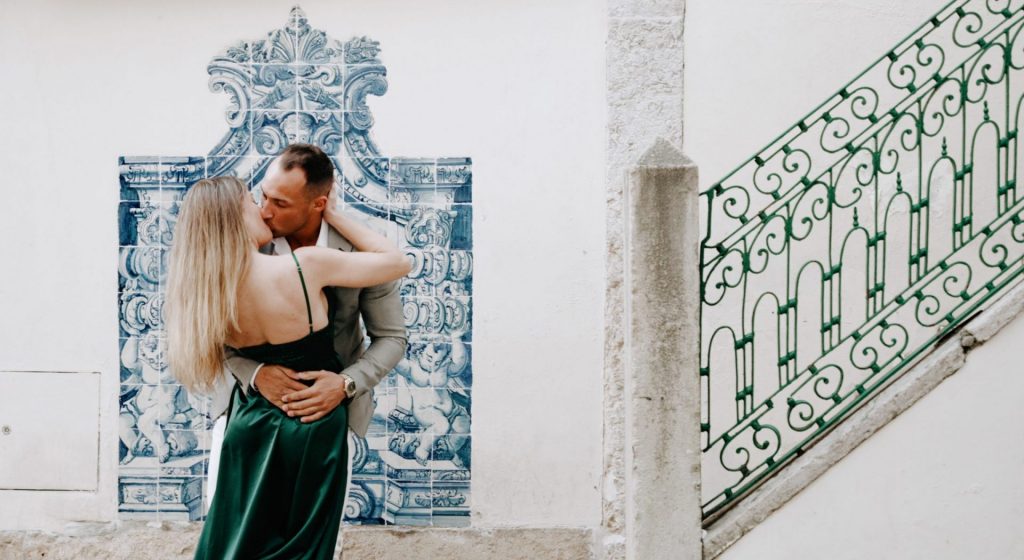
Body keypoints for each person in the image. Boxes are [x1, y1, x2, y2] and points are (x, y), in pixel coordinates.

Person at [165, 172, 411, 558]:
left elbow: (392, 336)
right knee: (304, 549)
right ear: (234, 218)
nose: (263, 211)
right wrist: (336, 214)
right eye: (252, 202)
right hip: (313, 426)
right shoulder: (305, 265)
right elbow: (397, 262)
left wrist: (345, 384)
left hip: (251, 422)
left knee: (237, 544)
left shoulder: (208, 292)